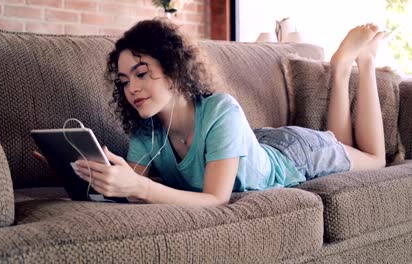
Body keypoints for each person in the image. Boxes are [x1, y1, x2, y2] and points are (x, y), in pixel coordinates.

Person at [34, 19, 387, 206]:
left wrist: (140, 186)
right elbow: (127, 191)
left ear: (173, 69)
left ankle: (355, 65)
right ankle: (341, 70)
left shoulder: (221, 110)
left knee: (373, 158)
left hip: (295, 153)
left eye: (141, 74)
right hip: (251, 145)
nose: (132, 89)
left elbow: (215, 199)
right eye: (124, 81)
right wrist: (84, 173)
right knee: (343, 144)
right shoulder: (147, 131)